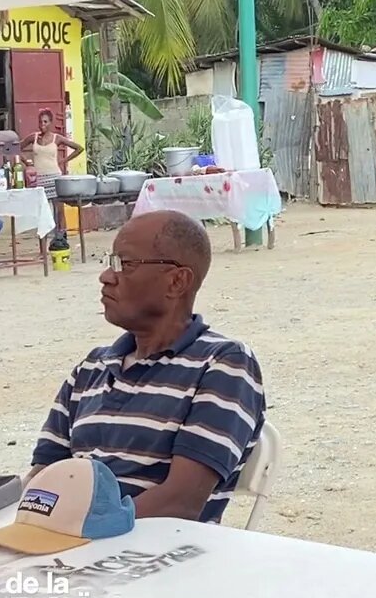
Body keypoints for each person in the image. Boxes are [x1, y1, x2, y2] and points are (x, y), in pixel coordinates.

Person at [29, 210, 266, 523]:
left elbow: (181, 502)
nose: (106, 276)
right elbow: (42, 477)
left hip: (155, 558)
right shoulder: (90, 369)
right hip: (68, 547)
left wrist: (76, 529)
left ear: (177, 281)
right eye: (109, 262)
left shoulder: (224, 365)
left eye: (124, 265)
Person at [20, 108, 83, 182]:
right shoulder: (34, 137)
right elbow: (15, 148)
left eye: (45, 122)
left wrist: (63, 161)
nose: (42, 124)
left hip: (54, 176)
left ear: (50, 122)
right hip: (38, 178)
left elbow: (79, 148)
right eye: (40, 122)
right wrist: (26, 162)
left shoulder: (57, 138)